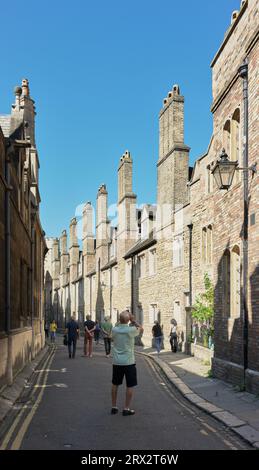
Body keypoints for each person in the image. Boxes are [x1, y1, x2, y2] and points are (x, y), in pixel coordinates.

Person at [111, 311, 143, 416]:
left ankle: (114, 407)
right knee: (130, 385)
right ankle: (126, 408)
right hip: (129, 362)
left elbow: (116, 325)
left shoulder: (114, 329)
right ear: (129, 320)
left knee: (115, 384)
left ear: (119, 320)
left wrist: (121, 320)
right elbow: (141, 329)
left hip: (117, 362)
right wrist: (134, 321)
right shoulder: (131, 330)